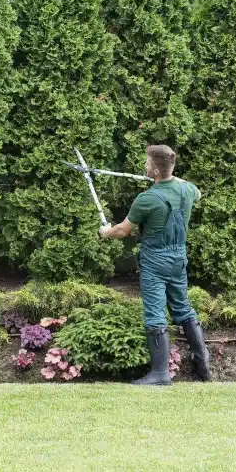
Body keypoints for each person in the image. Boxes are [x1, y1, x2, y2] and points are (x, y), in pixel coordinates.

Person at [98, 144, 211, 385]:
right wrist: (171, 177)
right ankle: (203, 366)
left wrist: (106, 232)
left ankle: (160, 374)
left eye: (147, 163)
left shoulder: (146, 199)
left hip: (155, 260)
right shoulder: (188, 190)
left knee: (155, 312)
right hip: (178, 258)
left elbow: (123, 230)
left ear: (156, 170)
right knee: (183, 309)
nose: (144, 166)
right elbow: (197, 192)